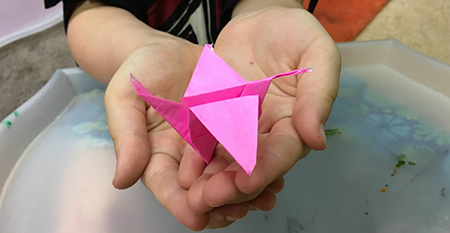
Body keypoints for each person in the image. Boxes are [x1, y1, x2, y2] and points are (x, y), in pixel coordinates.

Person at [45, 0, 340, 230]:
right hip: (145, 88)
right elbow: (88, 11)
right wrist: (139, 47)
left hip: (247, 77)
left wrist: (269, 11)